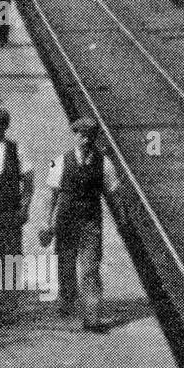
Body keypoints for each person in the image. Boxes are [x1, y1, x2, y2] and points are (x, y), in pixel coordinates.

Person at [42, 117, 121, 331]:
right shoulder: (59, 161)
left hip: (91, 224)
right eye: (82, 135)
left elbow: (113, 193)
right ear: (75, 135)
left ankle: (92, 317)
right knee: (66, 266)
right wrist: (46, 223)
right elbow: (51, 195)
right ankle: (67, 306)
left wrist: (121, 219)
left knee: (90, 269)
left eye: (90, 136)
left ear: (95, 137)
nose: (85, 140)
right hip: (66, 222)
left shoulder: (104, 163)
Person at [0, 106, 33, 324]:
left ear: (5, 127)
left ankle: (9, 308)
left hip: (11, 215)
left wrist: (25, 207)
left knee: (12, 260)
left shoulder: (16, 149)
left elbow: (29, 181)